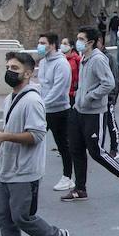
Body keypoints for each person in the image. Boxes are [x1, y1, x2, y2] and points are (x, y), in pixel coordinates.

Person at [0, 52, 70, 236]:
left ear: (28, 74)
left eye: (15, 68)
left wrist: (4, 137)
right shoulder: (11, 98)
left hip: (25, 171)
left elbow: (36, 135)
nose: (9, 71)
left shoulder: (33, 100)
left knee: (22, 217)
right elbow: (9, 130)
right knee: (3, 216)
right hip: (6, 169)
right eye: (8, 66)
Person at [62, 27, 119, 201]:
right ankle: (80, 189)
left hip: (94, 112)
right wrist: (79, 99)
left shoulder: (98, 59)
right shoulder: (85, 58)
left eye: (81, 38)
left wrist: (89, 97)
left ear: (90, 42)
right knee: (76, 149)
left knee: (96, 151)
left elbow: (108, 83)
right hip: (79, 110)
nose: (77, 41)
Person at [35, 34, 74, 192]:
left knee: (63, 145)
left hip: (59, 111)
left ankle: (68, 177)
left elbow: (58, 89)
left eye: (42, 43)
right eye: (39, 42)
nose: (39, 45)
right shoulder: (43, 62)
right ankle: (33, 174)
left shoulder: (61, 64)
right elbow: (42, 85)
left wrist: (42, 104)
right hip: (44, 110)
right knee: (34, 141)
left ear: (52, 45)